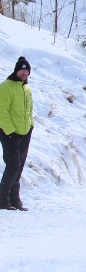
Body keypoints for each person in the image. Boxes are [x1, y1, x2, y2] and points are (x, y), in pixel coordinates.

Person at [0, 56, 34, 210]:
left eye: (26, 71)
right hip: (9, 132)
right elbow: (2, 111)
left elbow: (29, 109)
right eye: (21, 70)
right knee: (13, 164)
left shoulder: (26, 88)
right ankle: (2, 199)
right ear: (16, 71)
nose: (24, 73)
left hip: (25, 132)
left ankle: (14, 199)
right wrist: (10, 132)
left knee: (19, 166)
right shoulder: (6, 86)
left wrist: (31, 126)